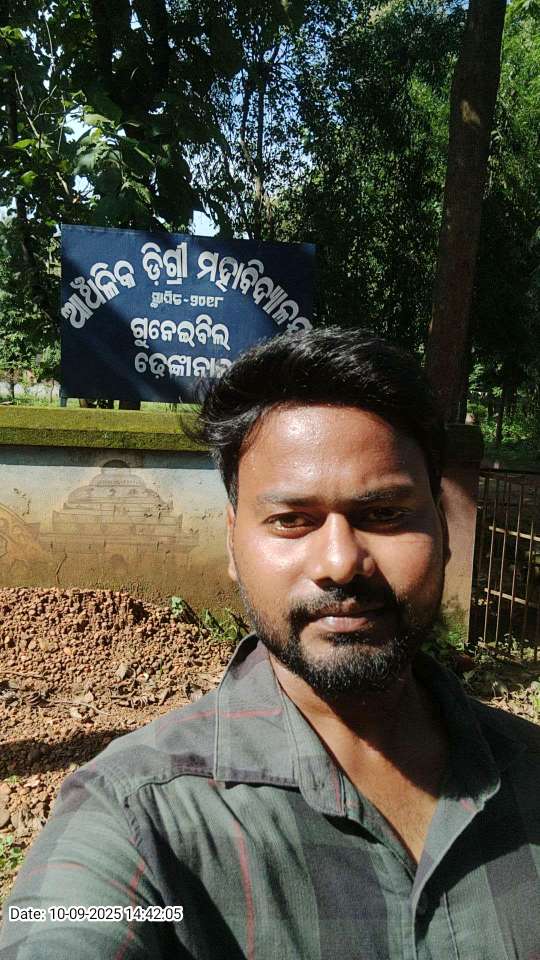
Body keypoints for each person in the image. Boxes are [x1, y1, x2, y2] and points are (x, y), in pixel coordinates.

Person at [1, 327, 539, 959]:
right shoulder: (135, 817)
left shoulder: (529, 771)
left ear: (443, 532)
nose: (340, 562)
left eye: (385, 515)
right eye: (291, 520)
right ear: (234, 542)